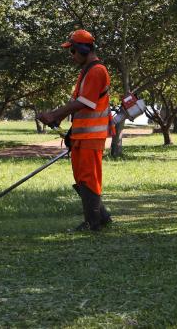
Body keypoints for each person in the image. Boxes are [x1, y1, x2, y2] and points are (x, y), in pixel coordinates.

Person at [38, 29, 114, 232]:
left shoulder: (97, 71)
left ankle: (93, 223)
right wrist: (58, 116)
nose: (71, 55)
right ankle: (102, 216)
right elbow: (76, 103)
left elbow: (84, 102)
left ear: (82, 49)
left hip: (91, 135)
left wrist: (54, 114)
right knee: (82, 177)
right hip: (81, 134)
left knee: (89, 178)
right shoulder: (86, 71)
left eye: (72, 51)